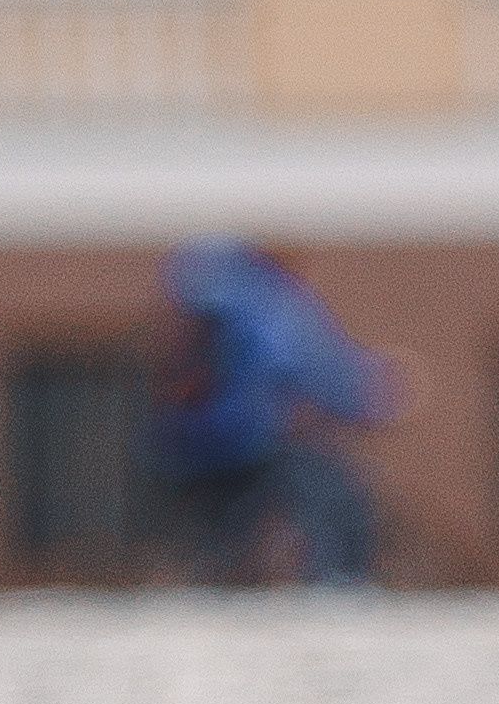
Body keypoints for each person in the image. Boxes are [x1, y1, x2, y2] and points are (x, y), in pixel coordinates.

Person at [150, 243, 404, 584]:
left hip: (191, 446)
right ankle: (340, 582)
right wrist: (369, 399)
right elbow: (305, 366)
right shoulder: (270, 300)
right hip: (252, 440)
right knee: (335, 502)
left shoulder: (205, 284)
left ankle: (213, 582)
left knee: (222, 535)